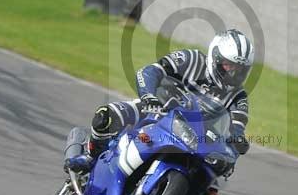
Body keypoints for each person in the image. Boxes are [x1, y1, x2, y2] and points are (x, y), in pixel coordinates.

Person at [65, 29, 254, 181]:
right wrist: (149, 97)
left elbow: (237, 127)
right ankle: (90, 158)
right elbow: (151, 71)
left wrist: (237, 140)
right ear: (216, 56)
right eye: (229, 65)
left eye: (240, 69)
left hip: (195, 141)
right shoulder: (192, 59)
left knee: (214, 180)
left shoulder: (238, 96)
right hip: (158, 110)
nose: (233, 73)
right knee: (105, 116)